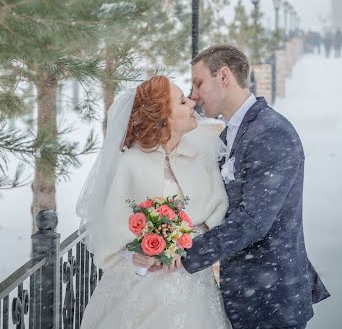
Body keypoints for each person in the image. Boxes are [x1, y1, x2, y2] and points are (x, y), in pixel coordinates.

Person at [136, 45, 329, 329]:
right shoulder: (231, 133)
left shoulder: (272, 132)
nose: (194, 95)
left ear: (223, 76)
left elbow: (252, 221)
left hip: (270, 298)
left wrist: (184, 252)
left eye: (199, 83)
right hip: (244, 294)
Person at [76, 75, 232, 329]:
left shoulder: (200, 155)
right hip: (143, 285)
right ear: (163, 116)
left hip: (192, 283)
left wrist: (186, 243)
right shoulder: (131, 164)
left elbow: (216, 211)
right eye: (182, 102)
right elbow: (113, 232)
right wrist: (136, 256)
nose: (192, 104)